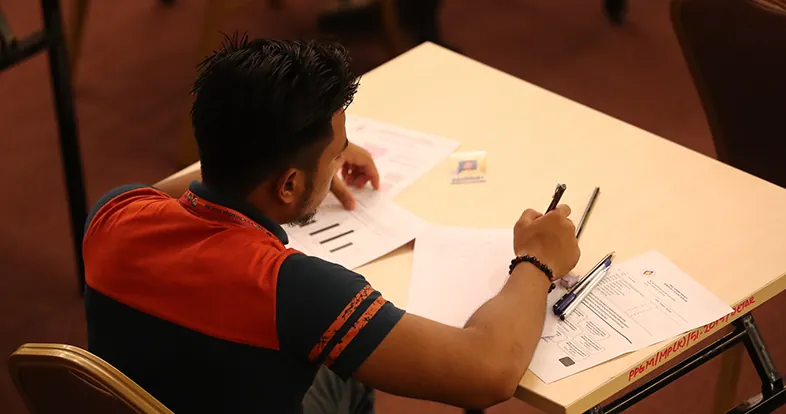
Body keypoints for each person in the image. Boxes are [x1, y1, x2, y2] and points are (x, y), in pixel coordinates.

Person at [82, 34, 580, 414]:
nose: (344, 152)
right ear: (288, 186)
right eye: (337, 149)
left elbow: (182, 189)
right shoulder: (291, 288)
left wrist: (304, 168)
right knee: (349, 375)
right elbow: (488, 372)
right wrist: (537, 260)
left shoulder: (112, 214)